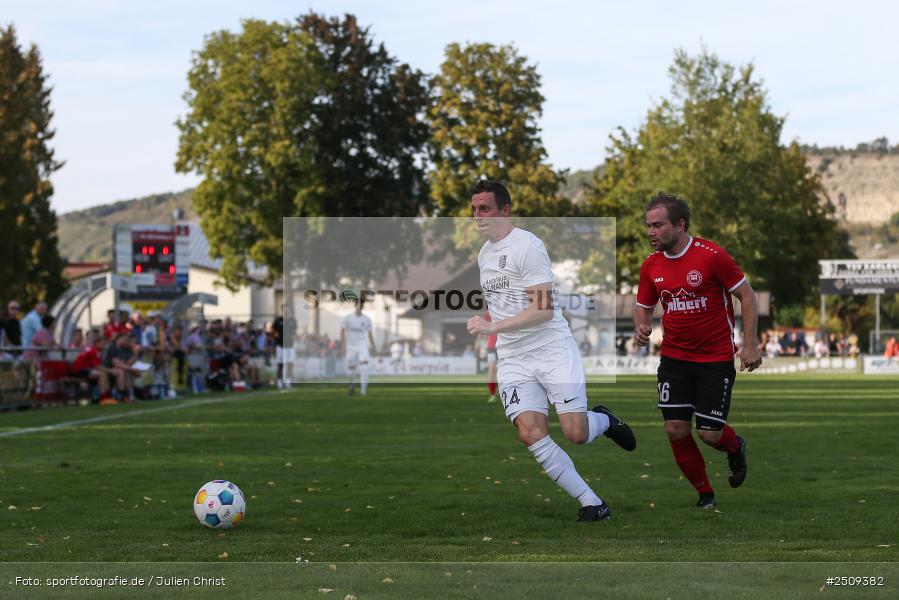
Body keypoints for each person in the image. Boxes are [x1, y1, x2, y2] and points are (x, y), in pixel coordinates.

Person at [466, 180, 636, 523]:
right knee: (530, 431)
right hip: (514, 358)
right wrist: (492, 324)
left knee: (576, 433)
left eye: (484, 208)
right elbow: (502, 305)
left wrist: (492, 328)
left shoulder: (527, 246)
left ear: (505, 210)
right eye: (474, 209)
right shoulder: (484, 254)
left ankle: (604, 420)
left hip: (551, 349)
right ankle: (592, 502)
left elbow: (542, 309)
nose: (477, 215)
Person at [633, 192, 762, 510]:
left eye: (657, 225)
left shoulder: (711, 255)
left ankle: (735, 447)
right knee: (675, 429)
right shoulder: (651, 266)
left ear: (679, 225)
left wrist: (750, 344)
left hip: (715, 359)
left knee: (710, 435)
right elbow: (643, 305)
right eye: (648, 225)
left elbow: (747, 296)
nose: (651, 232)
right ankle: (705, 493)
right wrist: (642, 325)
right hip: (674, 359)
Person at [341, 296, 375, 396]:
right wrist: (343, 345)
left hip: (362, 345)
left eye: (361, 305)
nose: (360, 306)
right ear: (355, 306)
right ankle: (351, 385)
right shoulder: (348, 318)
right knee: (351, 369)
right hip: (350, 346)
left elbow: (370, 333)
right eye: (358, 305)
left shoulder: (366, 319)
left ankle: (363, 391)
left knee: (364, 367)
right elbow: (342, 331)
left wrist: (373, 346)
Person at [474, 310, 499, 403]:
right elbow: (483, 327)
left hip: (507, 345)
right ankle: (492, 394)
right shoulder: (489, 311)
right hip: (492, 346)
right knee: (492, 369)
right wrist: (478, 342)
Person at [273, 304, 297, 389]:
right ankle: (279, 381)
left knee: (290, 364)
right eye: (284, 309)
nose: (286, 310)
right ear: (282, 310)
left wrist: (295, 341)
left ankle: (288, 382)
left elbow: (294, 333)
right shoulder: (278, 320)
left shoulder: (292, 320)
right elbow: (274, 331)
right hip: (280, 345)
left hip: (290, 345)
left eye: (287, 309)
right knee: (281, 364)